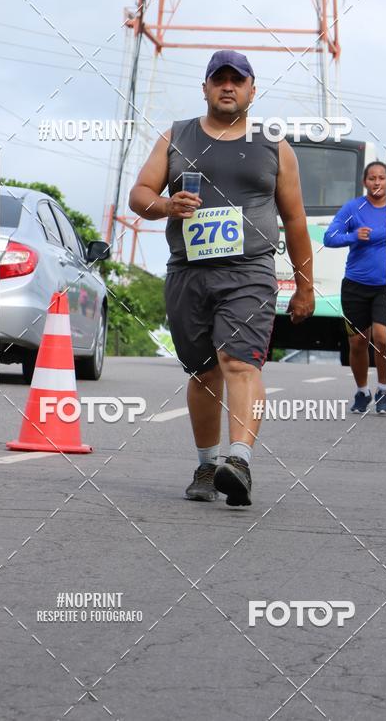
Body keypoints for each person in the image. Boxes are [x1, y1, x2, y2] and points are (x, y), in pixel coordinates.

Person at [128, 49, 315, 506]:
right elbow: (138, 195)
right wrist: (167, 206)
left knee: (239, 362)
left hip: (249, 270)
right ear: (206, 87)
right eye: (219, 79)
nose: (227, 86)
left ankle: (240, 460)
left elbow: (294, 221)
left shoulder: (275, 145)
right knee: (203, 371)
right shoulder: (177, 136)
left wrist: (306, 286)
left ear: (252, 90)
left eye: (237, 80)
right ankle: (208, 464)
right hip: (188, 272)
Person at [323, 161, 386, 414]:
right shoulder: (353, 208)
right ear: (365, 182)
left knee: (383, 338)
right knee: (358, 343)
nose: (377, 182)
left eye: (382, 178)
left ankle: (383, 389)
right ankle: (362, 391)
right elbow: (329, 238)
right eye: (372, 178)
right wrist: (354, 236)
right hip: (355, 285)